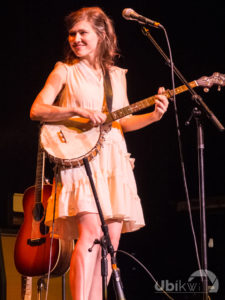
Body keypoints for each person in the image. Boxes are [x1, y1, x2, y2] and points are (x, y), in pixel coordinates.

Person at [30, 6, 169, 300]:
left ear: (102, 34)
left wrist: (153, 117)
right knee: (91, 235)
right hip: (81, 161)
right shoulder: (64, 70)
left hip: (114, 161)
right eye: (72, 34)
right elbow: (37, 109)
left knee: (110, 246)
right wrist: (76, 109)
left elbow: (122, 122)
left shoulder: (117, 75)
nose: (76, 39)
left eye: (83, 33)